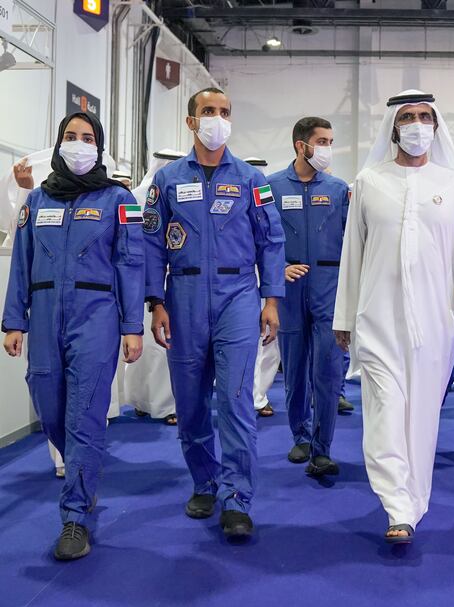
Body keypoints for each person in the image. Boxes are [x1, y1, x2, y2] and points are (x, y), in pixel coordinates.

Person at [333, 90, 454, 544]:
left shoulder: (452, 184)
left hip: (434, 321)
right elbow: (353, 253)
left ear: (435, 125)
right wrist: (344, 317)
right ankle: (396, 506)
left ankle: (414, 500)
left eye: (425, 116)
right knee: (385, 409)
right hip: (376, 317)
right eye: (407, 117)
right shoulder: (370, 180)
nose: (416, 124)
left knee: (422, 417)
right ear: (394, 126)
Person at [142, 88, 285, 540]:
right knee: (190, 404)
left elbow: (272, 241)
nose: (217, 119)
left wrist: (272, 299)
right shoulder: (166, 180)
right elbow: (149, 242)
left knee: (238, 400)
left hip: (237, 295)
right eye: (208, 112)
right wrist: (156, 301)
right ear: (191, 121)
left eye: (224, 112)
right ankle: (204, 482)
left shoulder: (250, 180)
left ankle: (237, 497)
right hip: (181, 296)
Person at [2, 112, 144, 560]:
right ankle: (85, 467)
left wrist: (131, 327)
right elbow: (20, 263)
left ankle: (75, 517)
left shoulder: (118, 199)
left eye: (87, 138)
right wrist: (13, 320)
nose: (78, 144)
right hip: (43, 315)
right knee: (47, 401)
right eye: (70, 136)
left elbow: (130, 264)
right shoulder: (36, 201)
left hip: (96, 316)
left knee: (84, 413)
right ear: (58, 142)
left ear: (99, 147)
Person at [267, 117, 349, 476]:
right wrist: (276, 271)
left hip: (330, 287)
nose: (328, 148)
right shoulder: (270, 188)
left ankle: (323, 446)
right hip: (289, 290)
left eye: (331, 141)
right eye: (322, 141)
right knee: (295, 369)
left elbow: (354, 242)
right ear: (301, 145)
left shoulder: (338, 189)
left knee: (328, 371)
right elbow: (261, 241)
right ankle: (299, 435)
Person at [125, 149, 185, 426]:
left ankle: (160, 403)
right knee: (145, 343)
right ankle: (148, 401)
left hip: (165, 274)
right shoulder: (135, 196)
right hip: (143, 276)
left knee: (158, 345)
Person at [244, 156, 282, 419]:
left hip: (270, 276)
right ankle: (249, 396)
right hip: (241, 280)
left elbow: (274, 239)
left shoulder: (271, 193)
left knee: (268, 346)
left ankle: (260, 395)